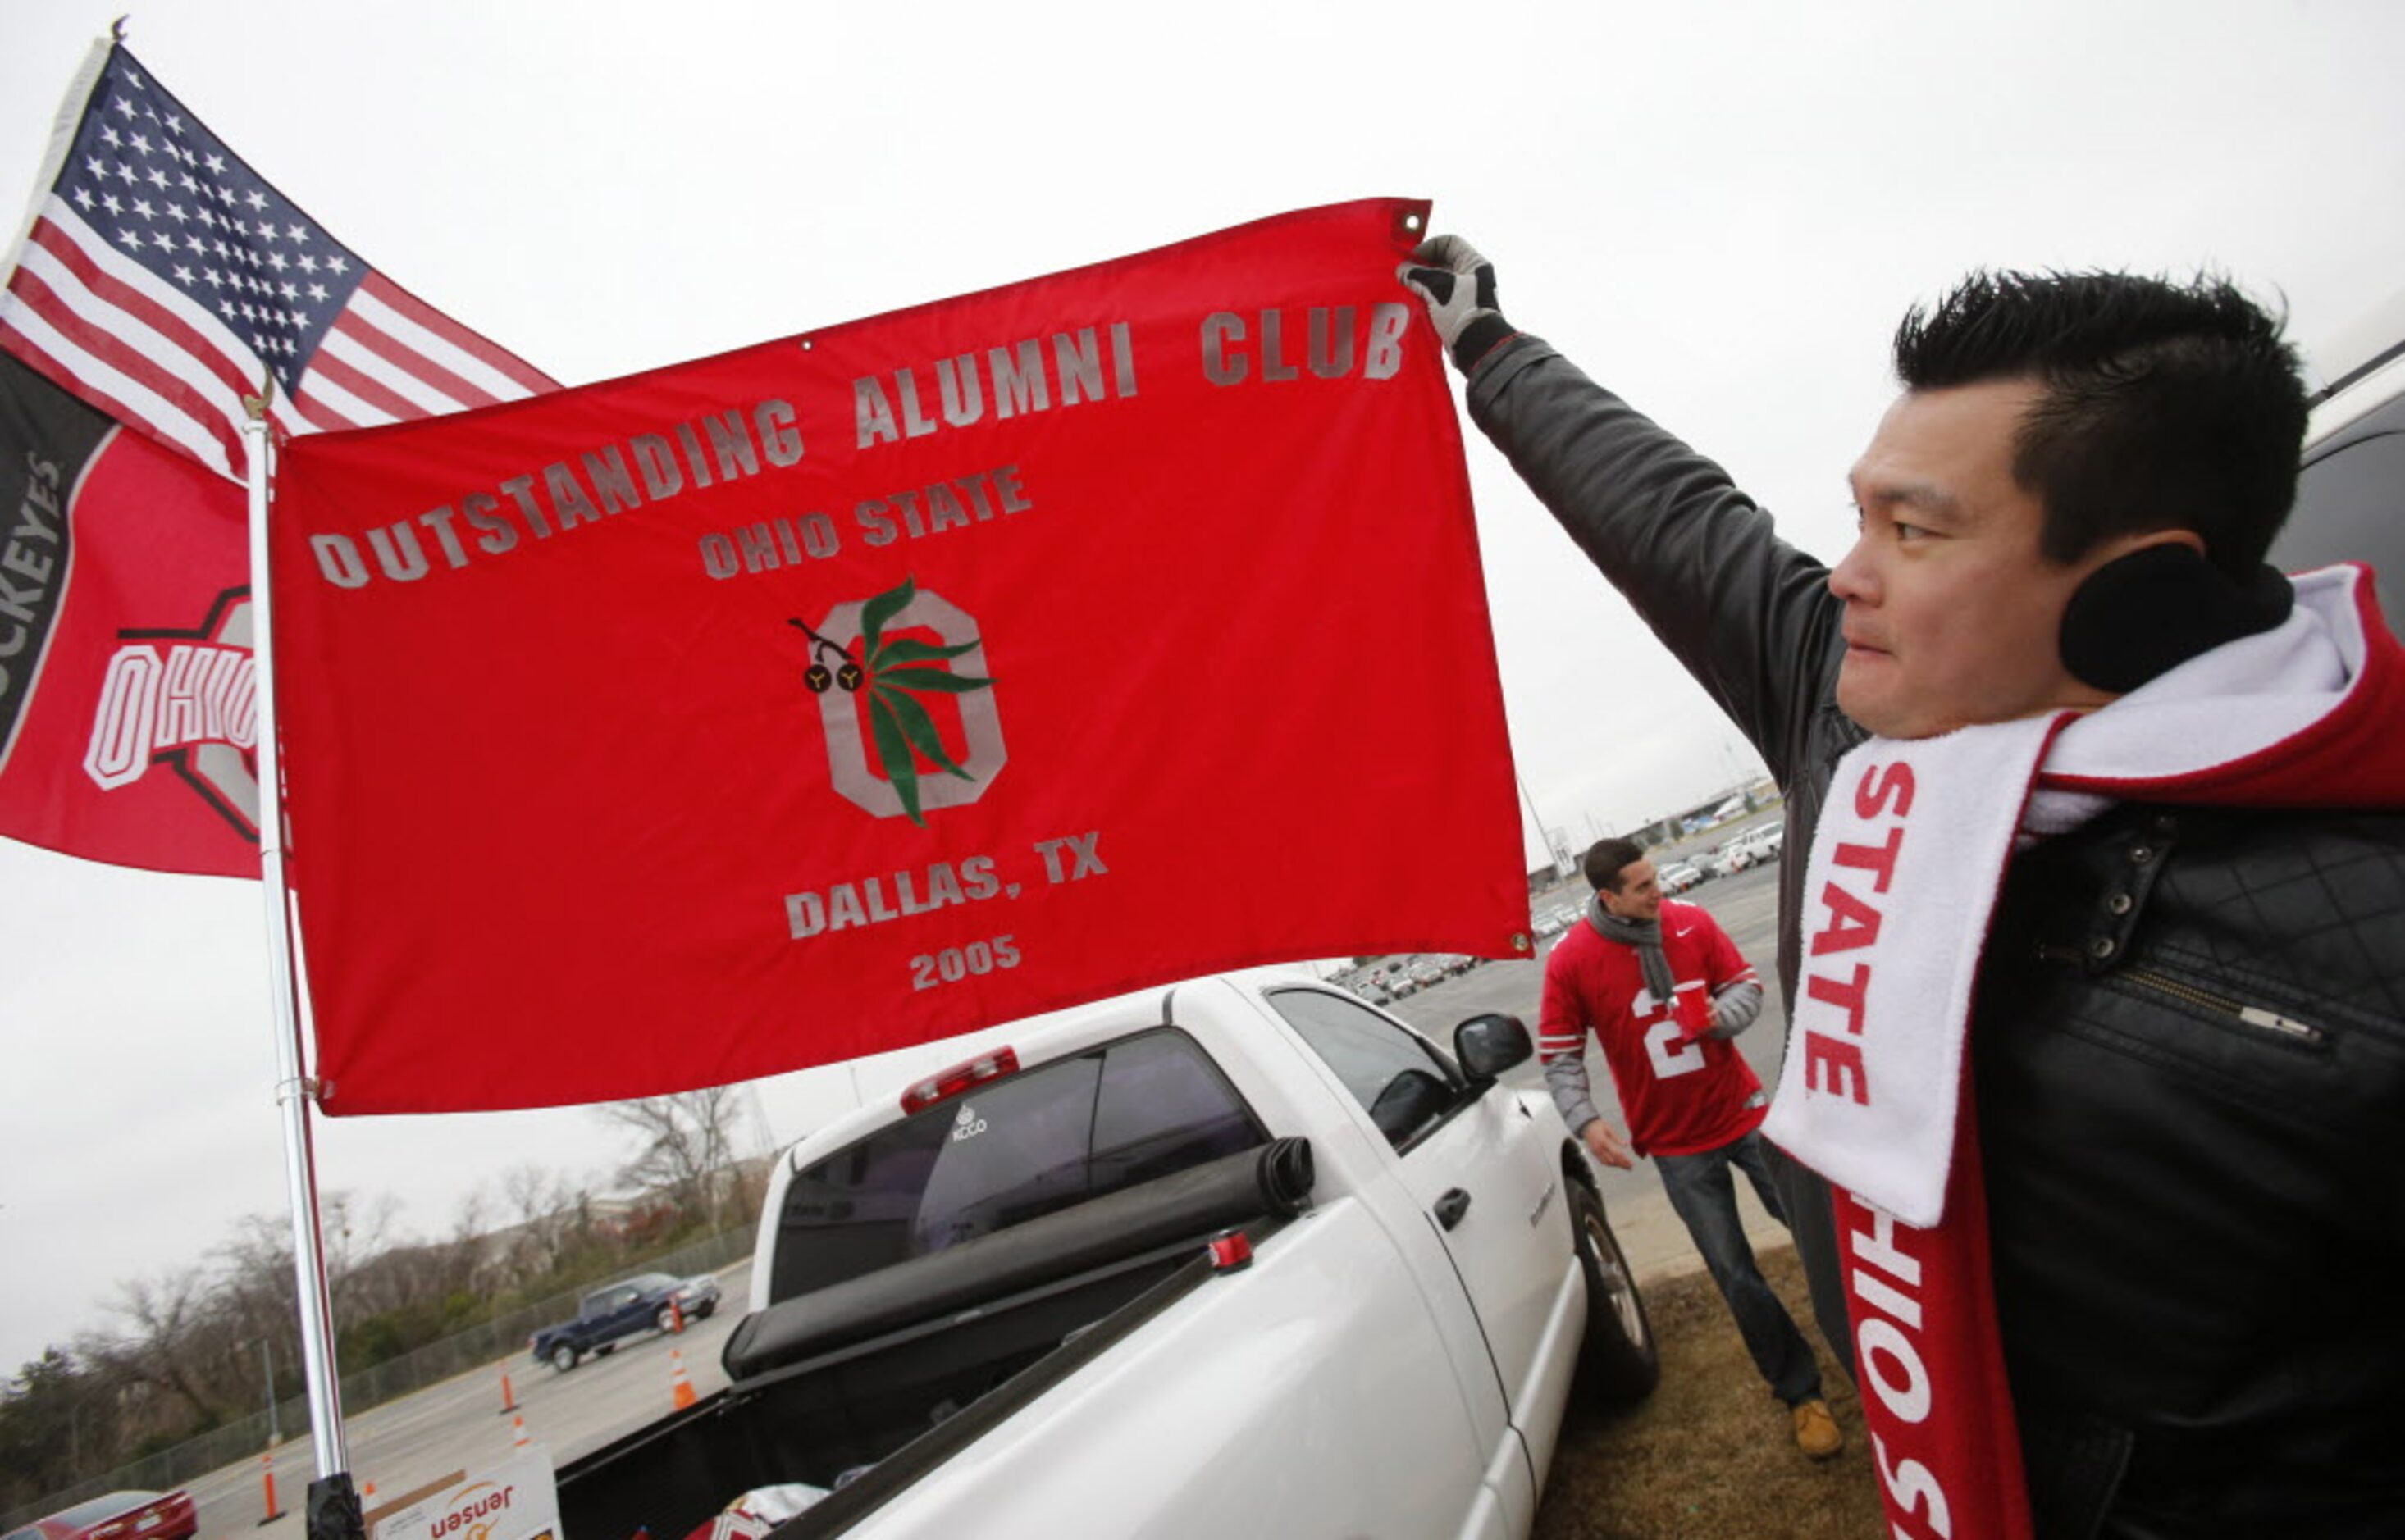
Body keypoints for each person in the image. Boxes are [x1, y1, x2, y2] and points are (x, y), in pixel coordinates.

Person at [1400, 244, 2405, 1537]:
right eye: (1861, 517)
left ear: (2138, 591)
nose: (1844, 574)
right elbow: (1671, 517)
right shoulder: (1852, 706)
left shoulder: (2354, 943)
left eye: (1913, 531)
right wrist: (1493, 353)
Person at [1540, 836, 1843, 1460]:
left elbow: (1748, 988)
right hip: (1676, 1145)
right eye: (1644, 886)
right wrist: (1587, 1122)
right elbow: (1560, 1055)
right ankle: (1800, 1393)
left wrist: (1717, 1017)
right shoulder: (1571, 961)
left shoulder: (1692, 922)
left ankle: (1871, 1343)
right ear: (1608, 897)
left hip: (1744, 1112)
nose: (1660, 891)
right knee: (1736, 1273)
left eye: (1656, 878)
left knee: (1819, 1229)